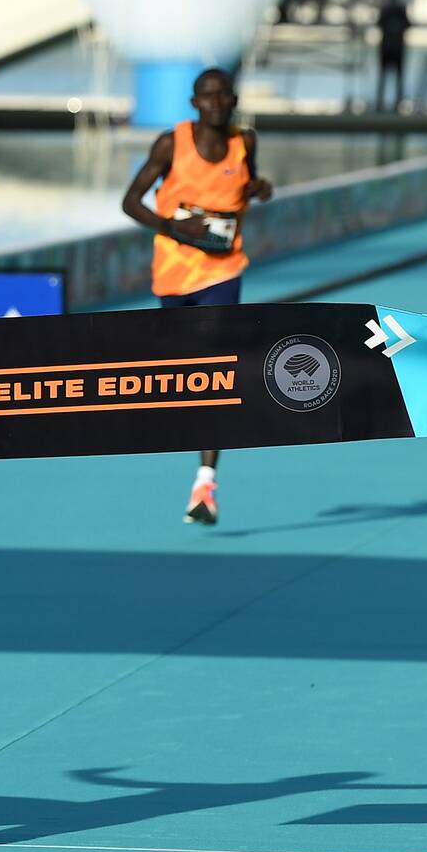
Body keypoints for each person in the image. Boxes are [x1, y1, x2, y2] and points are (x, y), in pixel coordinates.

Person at [120, 67, 273, 526]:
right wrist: (175, 226)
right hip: (172, 275)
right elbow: (130, 202)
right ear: (193, 102)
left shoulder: (245, 142)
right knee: (185, 372)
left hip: (223, 271)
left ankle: (205, 481)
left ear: (233, 98)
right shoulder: (172, 144)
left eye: (223, 94)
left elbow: (246, 188)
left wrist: (258, 189)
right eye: (207, 95)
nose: (216, 101)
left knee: (217, 370)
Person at [374, 0, 411, 112]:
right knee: (394, 78)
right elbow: (408, 25)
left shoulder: (387, 12)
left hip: (388, 49)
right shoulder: (399, 12)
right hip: (395, 49)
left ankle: (385, 103)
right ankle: (393, 103)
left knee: (386, 78)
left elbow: (378, 24)